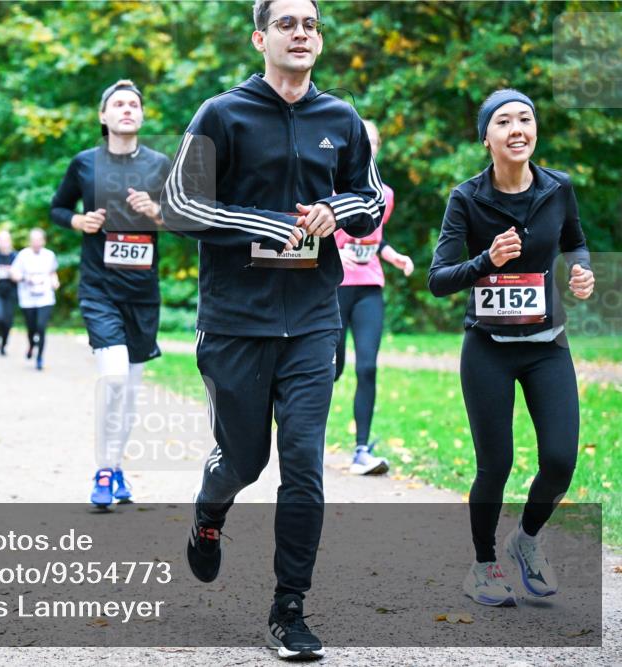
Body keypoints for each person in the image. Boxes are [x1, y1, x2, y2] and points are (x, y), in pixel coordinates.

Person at [161, 0, 385, 659]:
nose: (301, 33)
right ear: (261, 38)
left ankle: (290, 609)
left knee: (305, 464)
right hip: (235, 322)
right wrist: (262, 222)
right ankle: (210, 512)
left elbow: (371, 200)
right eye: (286, 23)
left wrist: (335, 210)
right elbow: (179, 204)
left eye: (310, 24)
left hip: (313, 319)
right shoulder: (221, 114)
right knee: (245, 460)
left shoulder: (341, 119)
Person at [428, 89, 594, 607]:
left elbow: (574, 241)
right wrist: (487, 260)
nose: (517, 129)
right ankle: (483, 565)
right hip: (488, 348)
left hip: (547, 345)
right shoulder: (466, 198)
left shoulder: (558, 188)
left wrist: (580, 270)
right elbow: (438, 279)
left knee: (561, 460)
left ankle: (526, 539)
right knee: (495, 465)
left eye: (525, 118)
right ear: (486, 138)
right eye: (503, 122)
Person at [50, 78, 171, 508]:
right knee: (114, 378)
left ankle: (116, 466)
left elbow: (184, 221)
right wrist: (77, 222)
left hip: (142, 292)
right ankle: (103, 471)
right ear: (103, 116)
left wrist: (156, 211)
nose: (126, 109)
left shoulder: (159, 165)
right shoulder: (85, 163)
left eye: (133, 104)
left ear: (142, 116)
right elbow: (58, 207)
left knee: (130, 388)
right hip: (99, 289)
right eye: (118, 104)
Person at [333, 120, 415, 475]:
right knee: (330, 370)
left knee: (367, 367)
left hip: (369, 286)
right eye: (361, 141)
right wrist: (334, 255)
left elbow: (375, 238)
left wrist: (394, 256)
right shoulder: (331, 188)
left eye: (374, 142)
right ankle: (302, 440)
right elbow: (312, 238)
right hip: (333, 289)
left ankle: (361, 450)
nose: (368, 148)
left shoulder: (385, 194)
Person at [10, 228, 59, 371]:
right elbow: (14, 272)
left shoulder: (49, 255)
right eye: (34, 240)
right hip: (28, 298)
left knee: (41, 327)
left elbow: (52, 272)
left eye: (39, 240)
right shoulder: (23, 255)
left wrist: (55, 281)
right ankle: (31, 345)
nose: (36, 243)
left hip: (45, 298)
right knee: (31, 327)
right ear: (30, 241)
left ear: (44, 241)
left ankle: (39, 358)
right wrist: (23, 278)